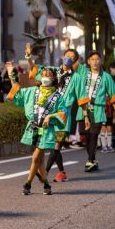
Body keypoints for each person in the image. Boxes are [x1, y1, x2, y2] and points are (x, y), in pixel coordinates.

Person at [27, 43, 88, 182]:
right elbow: (35, 70)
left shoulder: (76, 77)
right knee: (49, 145)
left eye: (72, 57)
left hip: (62, 116)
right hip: (48, 113)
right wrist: (29, 57)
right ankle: (62, 172)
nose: (69, 59)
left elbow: (82, 97)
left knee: (56, 145)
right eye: (67, 56)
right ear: (63, 56)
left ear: (75, 61)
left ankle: (45, 173)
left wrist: (86, 116)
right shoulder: (53, 71)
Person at [6, 63, 68, 195]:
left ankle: (27, 184)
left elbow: (63, 114)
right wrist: (11, 75)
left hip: (46, 130)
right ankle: (46, 185)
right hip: (33, 127)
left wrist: (51, 116)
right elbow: (17, 93)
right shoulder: (32, 91)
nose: (46, 77)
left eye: (49, 75)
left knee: (36, 157)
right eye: (44, 75)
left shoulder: (58, 97)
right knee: (40, 158)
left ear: (53, 79)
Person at [77, 51, 115, 172]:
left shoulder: (106, 77)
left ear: (100, 61)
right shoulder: (83, 73)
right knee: (86, 136)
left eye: (97, 59)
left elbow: (113, 94)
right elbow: (72, 64)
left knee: (94, 135)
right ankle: (93, 159)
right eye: (92, 59)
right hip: (84, 109)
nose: (95, 61)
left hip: (98, 109)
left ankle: (90, 160)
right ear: (88, 61)